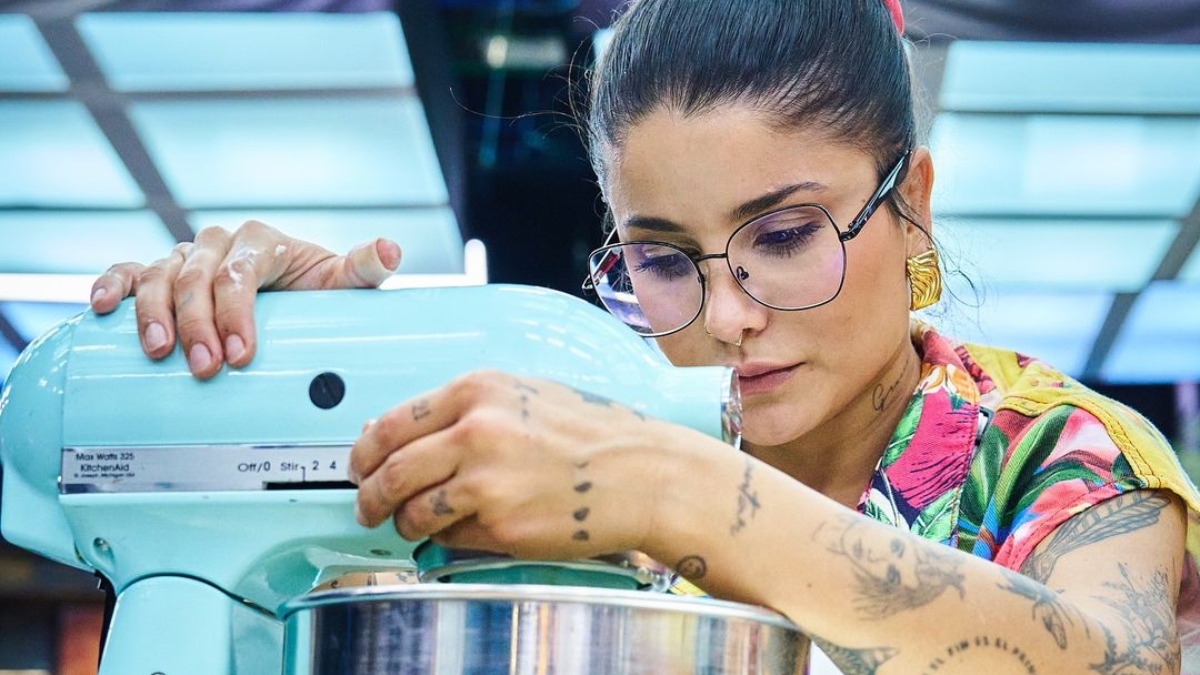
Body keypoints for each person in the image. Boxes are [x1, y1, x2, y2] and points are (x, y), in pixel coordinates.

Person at [89, 0, 1200, 672]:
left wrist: (684, 495)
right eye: (664, 260)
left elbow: (1117, 664)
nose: (728, 317)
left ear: (909, 205)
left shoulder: (1055, 454)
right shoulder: (561, 481)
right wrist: (264, 378)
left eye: (786, 235)